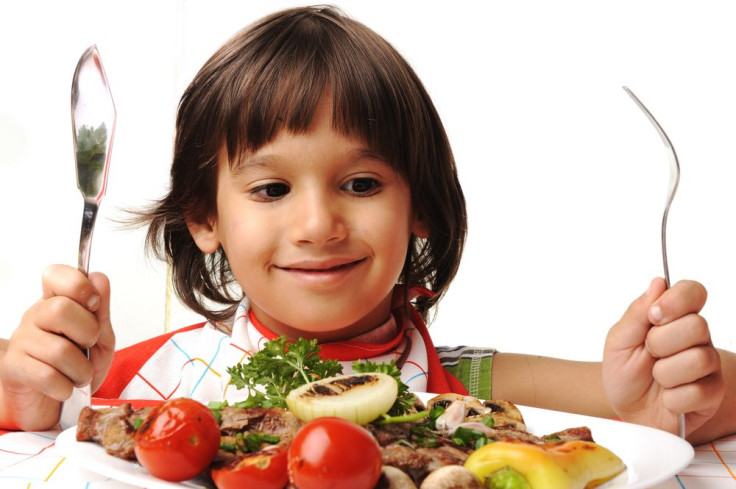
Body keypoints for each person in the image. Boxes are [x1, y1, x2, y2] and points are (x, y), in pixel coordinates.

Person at [0, 6, 733, 446]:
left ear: (419, 204)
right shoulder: (141, 379)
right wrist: (30, 395)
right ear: (203, 218)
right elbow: (27, 401)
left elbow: (709, 399)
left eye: (361, 183)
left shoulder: (469, 383)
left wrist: (662, 399)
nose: (318, 223)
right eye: (271, 187)